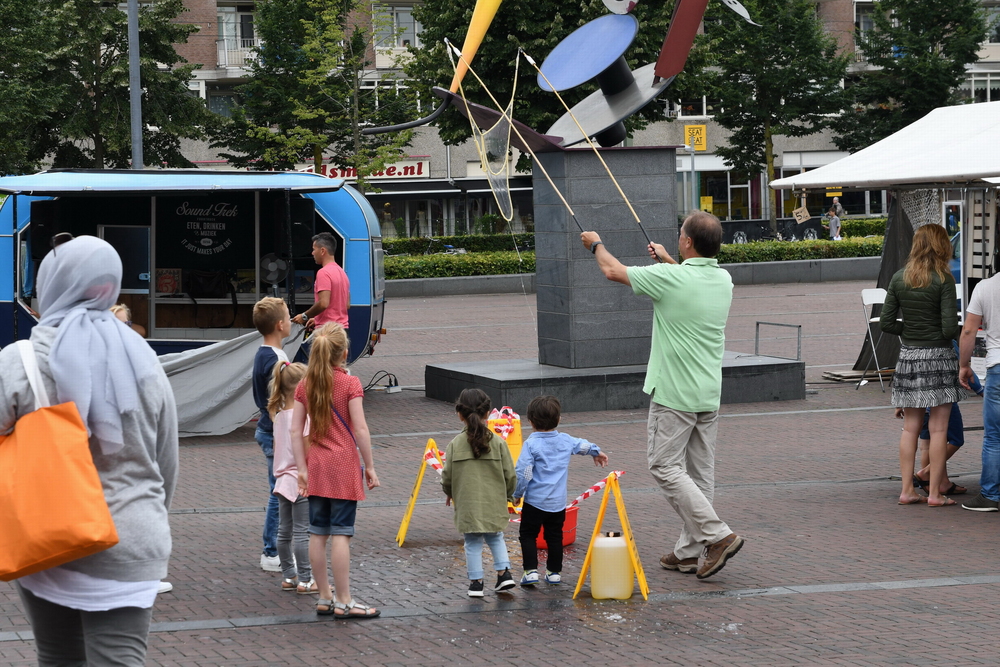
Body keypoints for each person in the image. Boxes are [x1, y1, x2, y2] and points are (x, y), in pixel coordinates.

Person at [0, 235, 178, 665]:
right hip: (133, 538)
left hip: (47, 535)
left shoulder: (22, 359)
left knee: (58, 656)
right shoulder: (143, 359)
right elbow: (166, 462)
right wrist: (144, 515)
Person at [581, 212, 744, 580]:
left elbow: (612, 270)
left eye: (681, 234)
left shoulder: (671, 278)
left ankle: (718, 536)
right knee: (700, 476)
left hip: (674, 393)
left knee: (664, 466)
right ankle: (689, 553)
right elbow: (689, 280)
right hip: (708, 393)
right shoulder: (722, 279)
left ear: (688, 242)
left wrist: (595, 244)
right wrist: (670, 259)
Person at [290, 323, 380, 618]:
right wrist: (370, 466)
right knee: (341, 532)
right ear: (343, 353)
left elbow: (295, 431)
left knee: (317, 532)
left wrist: (301, 468)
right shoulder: (350, 384)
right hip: (343, 465)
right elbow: (361, 429)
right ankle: (345, 600)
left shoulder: (305, 385)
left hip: (316, 464)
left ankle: (324, 596)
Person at [881, 223, 964, 507]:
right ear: (942, 246)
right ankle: (935, 494)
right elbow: (949, 328)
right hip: (939, 358)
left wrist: (910, 329)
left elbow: (886, 322)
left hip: (909, 358)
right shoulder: (943, 279)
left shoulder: (899, 277)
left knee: (910, 429)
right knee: (939, 430)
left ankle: (907, 490)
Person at [513, 395, 608, 587]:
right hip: (557, 503)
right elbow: (582, 446)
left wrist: (517, 493)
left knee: (528, 535)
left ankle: (530, 571)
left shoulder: (531, 444)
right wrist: (596, 451)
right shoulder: (565, 440)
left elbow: (524, 471)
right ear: (558, 419)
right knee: (555, 536)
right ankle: (554, 572)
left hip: (534, 501)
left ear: (530, 421)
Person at [441, 388, 517, 597]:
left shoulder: (455, 444)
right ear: (488, 414)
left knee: (472, 541)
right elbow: (510, 474)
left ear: (460, 414)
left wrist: (450, 491)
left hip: (468, 504)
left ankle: (476, 583)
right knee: (496, 536)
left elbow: (447, 476)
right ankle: (503, 574)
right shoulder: (498, 443)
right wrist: (508, 495)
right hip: (494, 501)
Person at [267, 360, 316, 594]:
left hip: (282, 481)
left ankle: (289, 576)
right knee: (302, 533)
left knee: (283, 531)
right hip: (300, 481)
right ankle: (306, 579)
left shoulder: (278, 417)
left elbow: (278, 449)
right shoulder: (303, 417)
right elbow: (307, 451)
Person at [251, 296, 292, 572]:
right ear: (279, 325)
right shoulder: (277, 359)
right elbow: (279, 402)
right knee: (279, 493)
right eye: (288, 317)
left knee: (279, 490)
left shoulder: (263, 353)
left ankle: (275, 549)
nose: (290, 321)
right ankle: (271, 552)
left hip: (268, 429)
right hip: (275, 432)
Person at [960, 270, 1000, 511]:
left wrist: (964, 365)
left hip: (998, 365)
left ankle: (990, 495)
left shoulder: (985, 286)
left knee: (995, 436)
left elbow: (968, 330)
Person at [291, 232, 350, 364]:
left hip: (327, 332)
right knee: (337, 369)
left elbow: (323, 303)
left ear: (322, 251)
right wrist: (317, 318)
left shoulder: (323, 273)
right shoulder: (342, 273)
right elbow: (346, 304)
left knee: (322, 371)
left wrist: (305, 316)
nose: (312, 253)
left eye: (314, 249)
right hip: (341, 331)